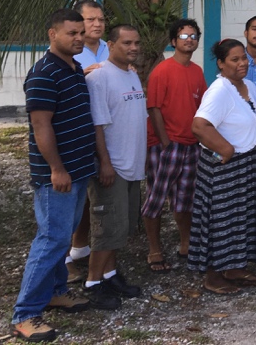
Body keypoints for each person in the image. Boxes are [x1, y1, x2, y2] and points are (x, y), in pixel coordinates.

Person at [11, 9, 96, 343]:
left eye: (81, 33)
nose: (78, 38)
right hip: (57, 174)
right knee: (51, 239)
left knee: (63, 234)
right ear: (53, 34)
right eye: (71, 33)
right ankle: (25, 314)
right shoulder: (44, 73)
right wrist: (56, 168)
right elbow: (40, 125)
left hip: (77, 170)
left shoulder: (73, 69)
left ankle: (57, 291)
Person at [188, 39, 256, 294]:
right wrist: (226, 148)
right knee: (220, 220)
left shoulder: (249, 86)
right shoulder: (220, 90)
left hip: (246, 165)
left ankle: (233, 267)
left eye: (243, 57)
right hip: (225, 167)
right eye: (234, 59)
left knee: (239, 219)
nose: (242, 63)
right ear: (221, 64)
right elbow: (199, 125)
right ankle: (214, 276)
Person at [83, 25, 146, 308]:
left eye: (136, 43)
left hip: (133, 164)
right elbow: (97, 125)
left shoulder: (132, 74)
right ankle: (93, 283)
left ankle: (109, 274)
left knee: (120, 227)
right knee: (106, 228)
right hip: (113, 167)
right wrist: (105, 163)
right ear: (111, 44)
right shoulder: (99, 78)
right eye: (126, 43)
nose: (133, 48)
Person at [141, 19, 207, 273]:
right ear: (173, 41)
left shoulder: (197, 71)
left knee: (184, 200)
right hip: (166, 145)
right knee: (156, 199)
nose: (189, 39)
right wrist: (165, 142)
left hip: (192, 146)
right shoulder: (162, 71)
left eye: (193, 36)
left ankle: (185, 243)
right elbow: (154, 107)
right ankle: (154, 249)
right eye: (183, 36)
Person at [66, 0, 108, 284]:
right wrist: (82, 74)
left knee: (94, 197)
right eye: (90, 20)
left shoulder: (109, 47)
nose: (96, 25)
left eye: (100, 19)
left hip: (104, 131)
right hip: (77, 133)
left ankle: (81, 247)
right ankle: (64, 259)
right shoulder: (68, 52)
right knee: (73, 199)